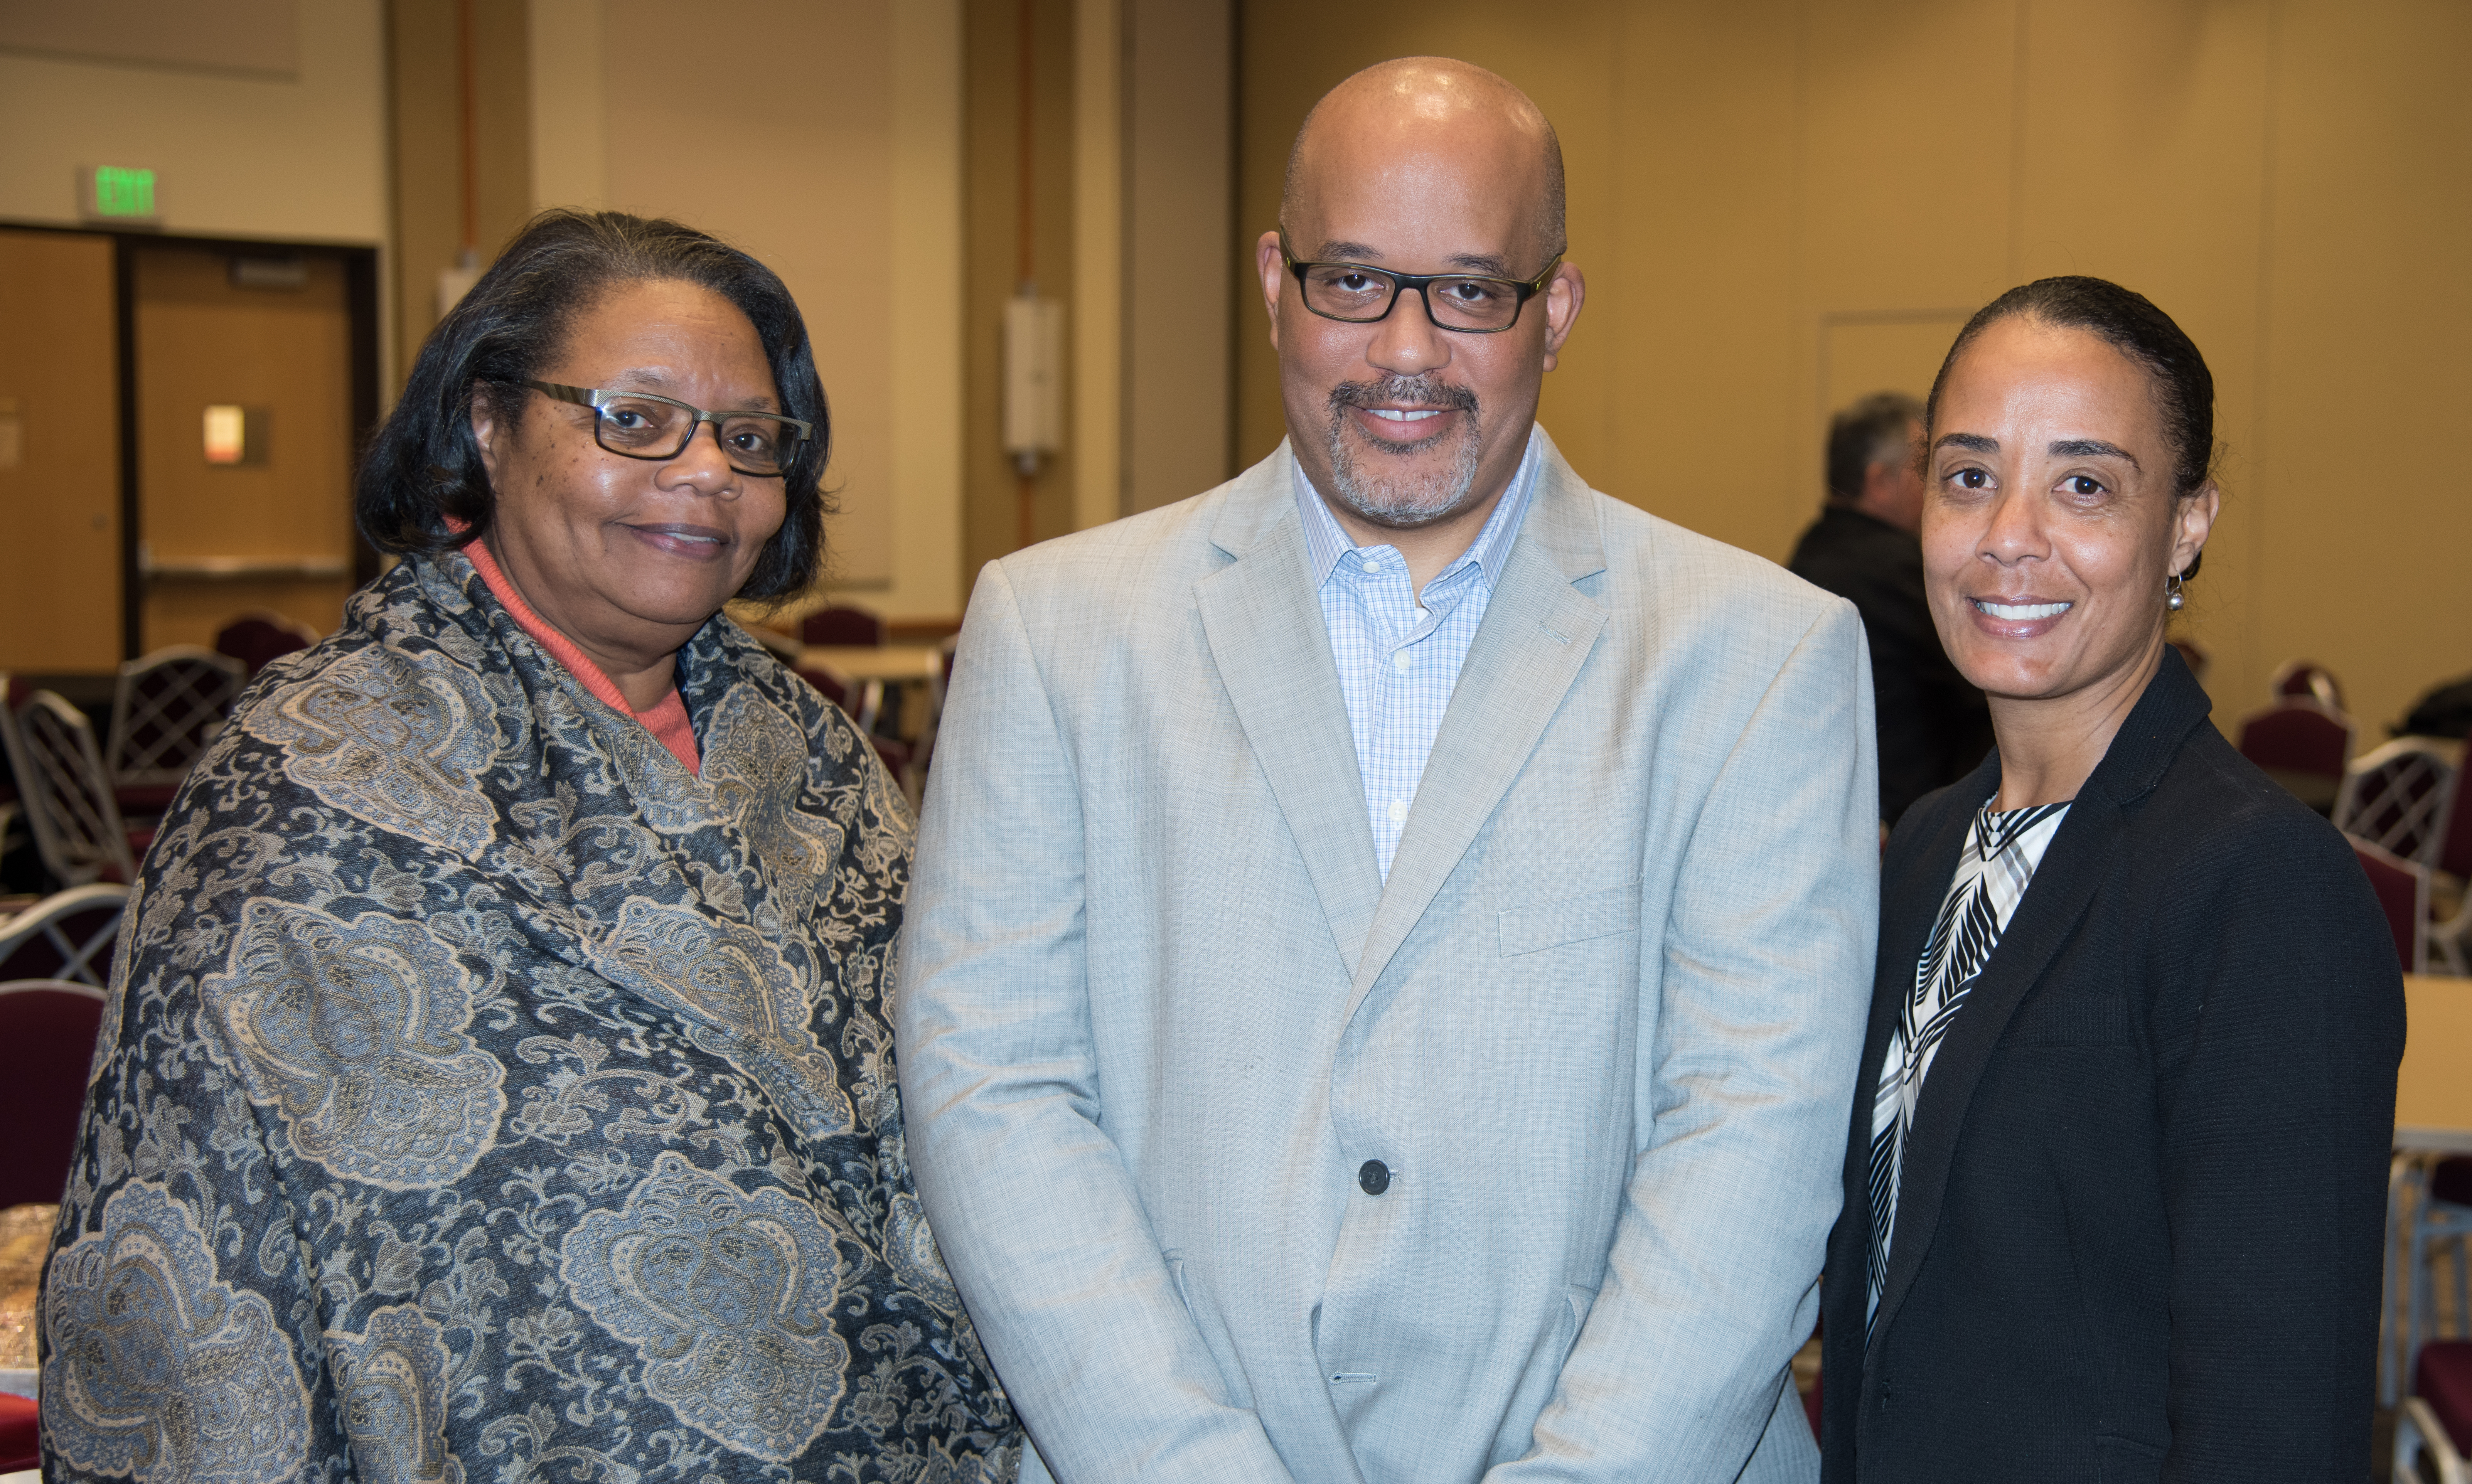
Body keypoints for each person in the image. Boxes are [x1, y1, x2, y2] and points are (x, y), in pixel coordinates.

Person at [899, 57, 1878, 1484]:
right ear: (1270, 279)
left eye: (1470, 290)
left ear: (1557, 308)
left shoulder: (1759, 656)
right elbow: (992, 1085)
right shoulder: (1056, 631)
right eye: (1351, 279)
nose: (1402, 348)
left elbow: (1750, 1133)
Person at [40, 211, 1018, 1484]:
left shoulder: (811, 747)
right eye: (635, 418)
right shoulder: (318, 776)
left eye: (747, 436)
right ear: (489, 422)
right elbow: (197, 1256)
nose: (705, 471)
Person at [1818, 276, 2404, 1482]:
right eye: (1969, 475)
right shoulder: (1933, 842)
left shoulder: (2258, 887)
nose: (2008, 535)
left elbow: (2277, 1421)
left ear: (2186, 523)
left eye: (2082, 484)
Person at [1789, 392, 1993, 825]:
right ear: (1880, 482)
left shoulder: (1806, 556)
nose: (1940, 490)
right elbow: (1989, 682)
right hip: (1912, 821)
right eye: (1927, 474)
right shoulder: (1897, 569)